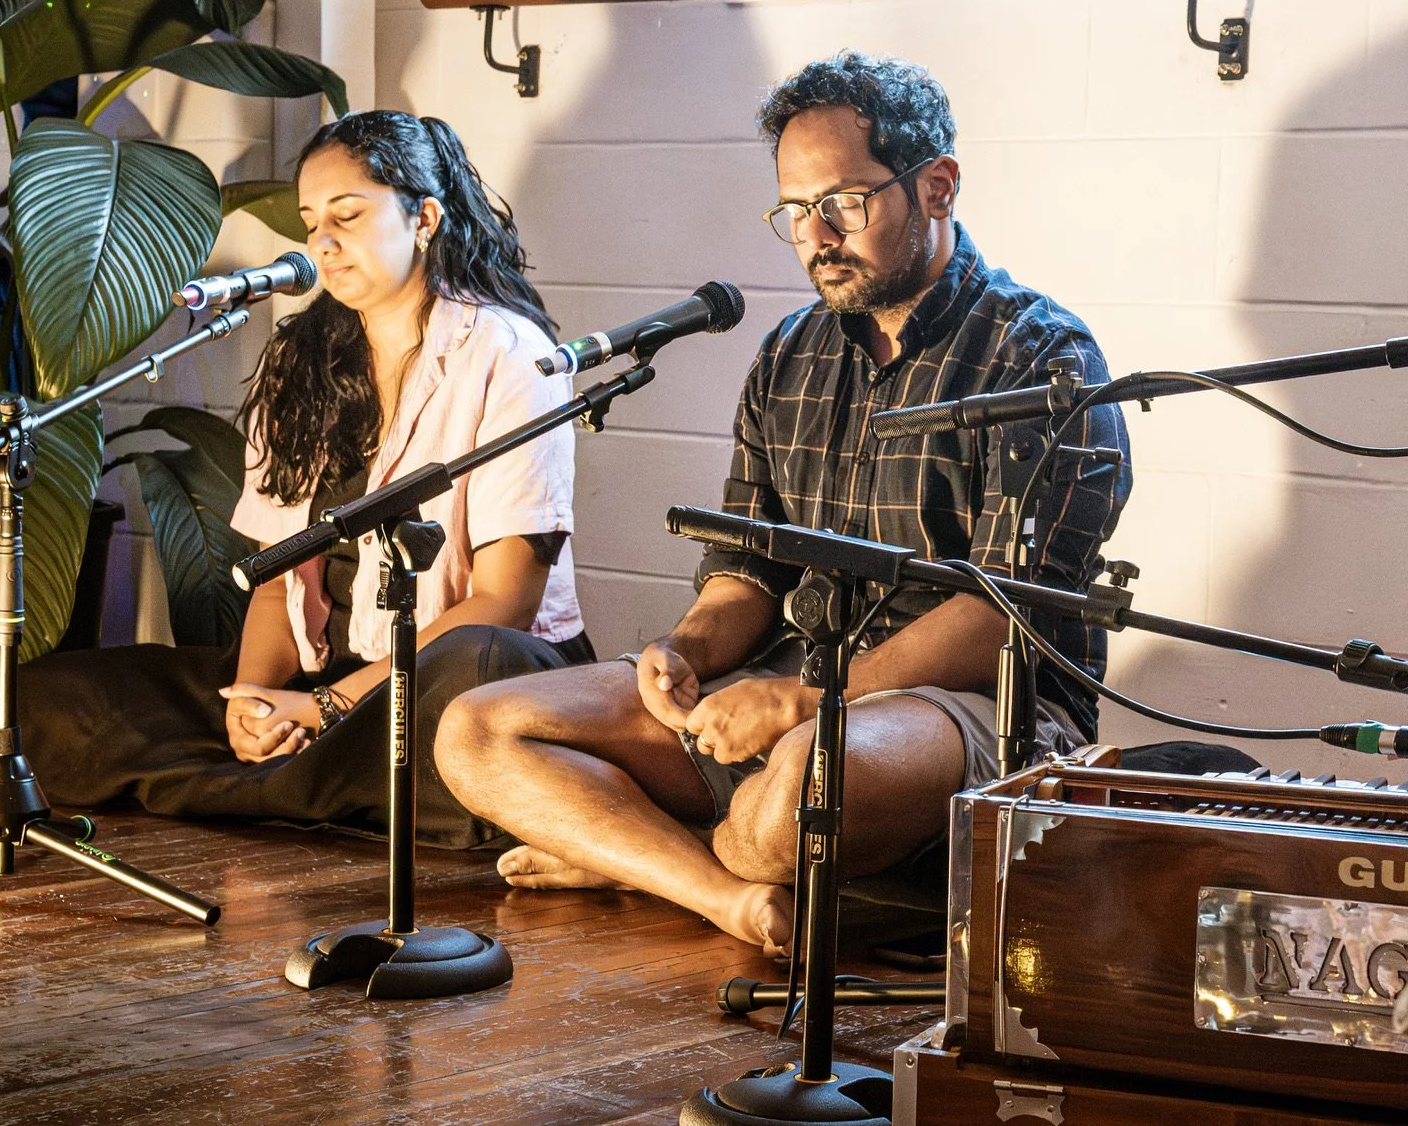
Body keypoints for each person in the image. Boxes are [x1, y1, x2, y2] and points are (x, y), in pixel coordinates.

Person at [435, 52, 1129, 950]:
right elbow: (746, 577)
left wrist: (803, 700)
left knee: (802, 781)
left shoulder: (1045, 357)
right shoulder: (790, 352)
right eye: (795, 212)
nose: (817, 235)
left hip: (977, 706)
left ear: (937, 188)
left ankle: (638, 855)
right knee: (475, 730)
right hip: (782, 683)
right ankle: (727, 897)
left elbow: (1002, 614)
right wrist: (683, 650)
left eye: (843, 202)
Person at [0, 111, 591, 845]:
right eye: (310, 221)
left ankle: (282, 777)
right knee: (43, 702)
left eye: (348, 216)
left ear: (423, 216)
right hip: (327, 678)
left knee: (468, 683)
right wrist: (255, 698)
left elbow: (504, 603)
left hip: (451, 676)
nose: (322, 242)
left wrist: (326, 710)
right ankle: (275, 777)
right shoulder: (305, 358)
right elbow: (275, 580)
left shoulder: (511, 355)